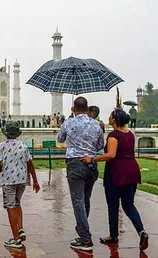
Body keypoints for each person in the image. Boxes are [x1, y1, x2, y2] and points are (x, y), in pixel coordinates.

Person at [82, 109, 149, 251]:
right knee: (129, 205)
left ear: (114, 120)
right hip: (132, 170)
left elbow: (111, 154)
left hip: (117, 172)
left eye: (111, 115)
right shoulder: (130, 134)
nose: (109, 117)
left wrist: (92, 158)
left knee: (113, 205)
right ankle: (141, 231)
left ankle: (113, 236)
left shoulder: (114, 136)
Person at [56, 97, 104, 251]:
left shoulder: (69, 122)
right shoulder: (96, 124)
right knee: (85, 199)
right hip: (90, 164)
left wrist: (70, 118)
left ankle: (86, 239)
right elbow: (100, 145)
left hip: (75, 164)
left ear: (73, 108)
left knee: (78, 202)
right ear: (87, 108)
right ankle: (83, 231)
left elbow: (60, 139)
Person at [0, 121, 41, 249]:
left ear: (6, 133)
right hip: (21, 180)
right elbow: (30, 164)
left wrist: (2, 170)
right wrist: (35, 181)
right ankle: (20, 229)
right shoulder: (23, 146)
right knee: (17, 203)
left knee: (10, 207)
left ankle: (16, 239)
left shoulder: (1, 146)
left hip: (8, 181)